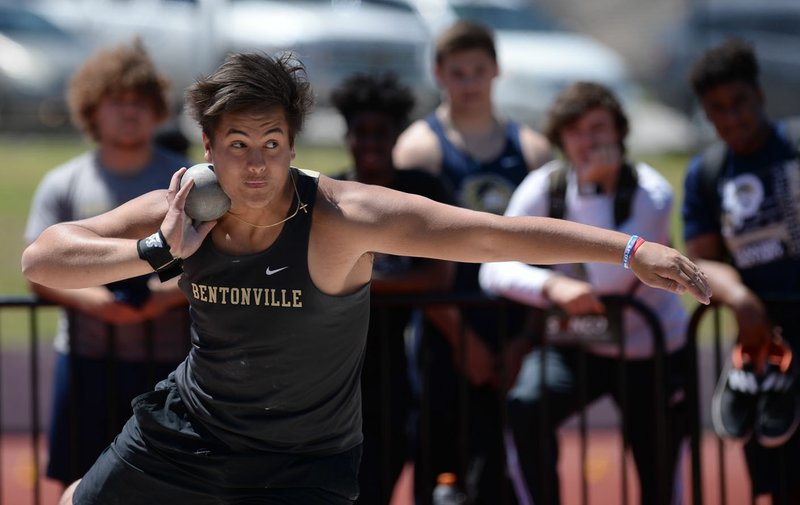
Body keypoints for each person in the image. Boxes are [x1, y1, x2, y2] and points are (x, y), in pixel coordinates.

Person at [20, 50, 711, 505]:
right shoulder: (183, 204)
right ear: (207, 148)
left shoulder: (343, 214)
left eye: (271, 145)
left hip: (306, 459)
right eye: (236, 147)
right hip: (191, 429)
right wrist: (155, 249)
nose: (255, 166)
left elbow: (487, 233)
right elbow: (43, 255)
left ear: (293, 144)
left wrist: (629, 249)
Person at [479, 81, 690, 505]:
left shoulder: (651, 192)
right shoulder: (547, 186)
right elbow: (492, 266)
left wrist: (593, 188)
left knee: (659, 468)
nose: (587, 140)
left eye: (598, 127)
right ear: (560, 138)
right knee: (526, 405)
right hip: (577, 342)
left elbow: (610, 282)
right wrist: (550, 284)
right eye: (575, 130)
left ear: (619, 133)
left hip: (651, 348)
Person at [392, 20, 552, 502]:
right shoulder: (419, 150)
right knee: (442, 474)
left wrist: (525, 341)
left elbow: (546, 254)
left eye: (478, 71)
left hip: (513, 331)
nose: (469, 82)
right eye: (457, 72)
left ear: (496, 70)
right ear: (439, 74)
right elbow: (411, 258)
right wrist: (461, 338)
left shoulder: (532, 150)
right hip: (445, 332)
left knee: (509, 470)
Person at [23, 39, 192, 489]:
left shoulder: (186, 178)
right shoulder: (63, 181)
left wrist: (158, 301)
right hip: (86, 358)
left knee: (170, 487)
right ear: (91, 109)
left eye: (140, 102)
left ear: (157, 110)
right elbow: (37, 269)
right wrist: (100, 304)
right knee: (79, 483)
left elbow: (212, 261)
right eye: (116, 101)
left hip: (169, 364)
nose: (129, 112)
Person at [683, 38, 800, 503]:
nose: (731, 118)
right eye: (717, 109)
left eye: (739, 103)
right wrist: (740, 298)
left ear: (760, 95)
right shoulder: (706, 173)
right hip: (762, 347)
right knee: (780, 480)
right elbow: (702, 259)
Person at [330, 72, 455, 504]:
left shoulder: (421, 192)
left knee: (389, 474)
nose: (369, 144)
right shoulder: (327, 195)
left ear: (396, 135)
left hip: (399, 368)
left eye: (380, 133)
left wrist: (359, 278)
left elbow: (439, 277)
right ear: (346, 136)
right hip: (334, 372)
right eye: (359, 133)